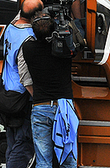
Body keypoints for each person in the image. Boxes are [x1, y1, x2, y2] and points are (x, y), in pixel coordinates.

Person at [2, 0, 47, 168]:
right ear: (35, 17)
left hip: (7, 93)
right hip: (22, 97)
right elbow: (25, 75)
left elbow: (29, 1)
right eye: (42, 13)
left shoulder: (12, 25)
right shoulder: (29, 38)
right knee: (24, 144)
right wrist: (38, 99)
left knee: (12, 143)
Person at [21, 14, 78, 168]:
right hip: (63, 108)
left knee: (43, 161)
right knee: (68, 157)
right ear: (54, 30)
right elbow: (76, 45)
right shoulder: (64, 48)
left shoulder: (28, 48)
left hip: (40, 107)